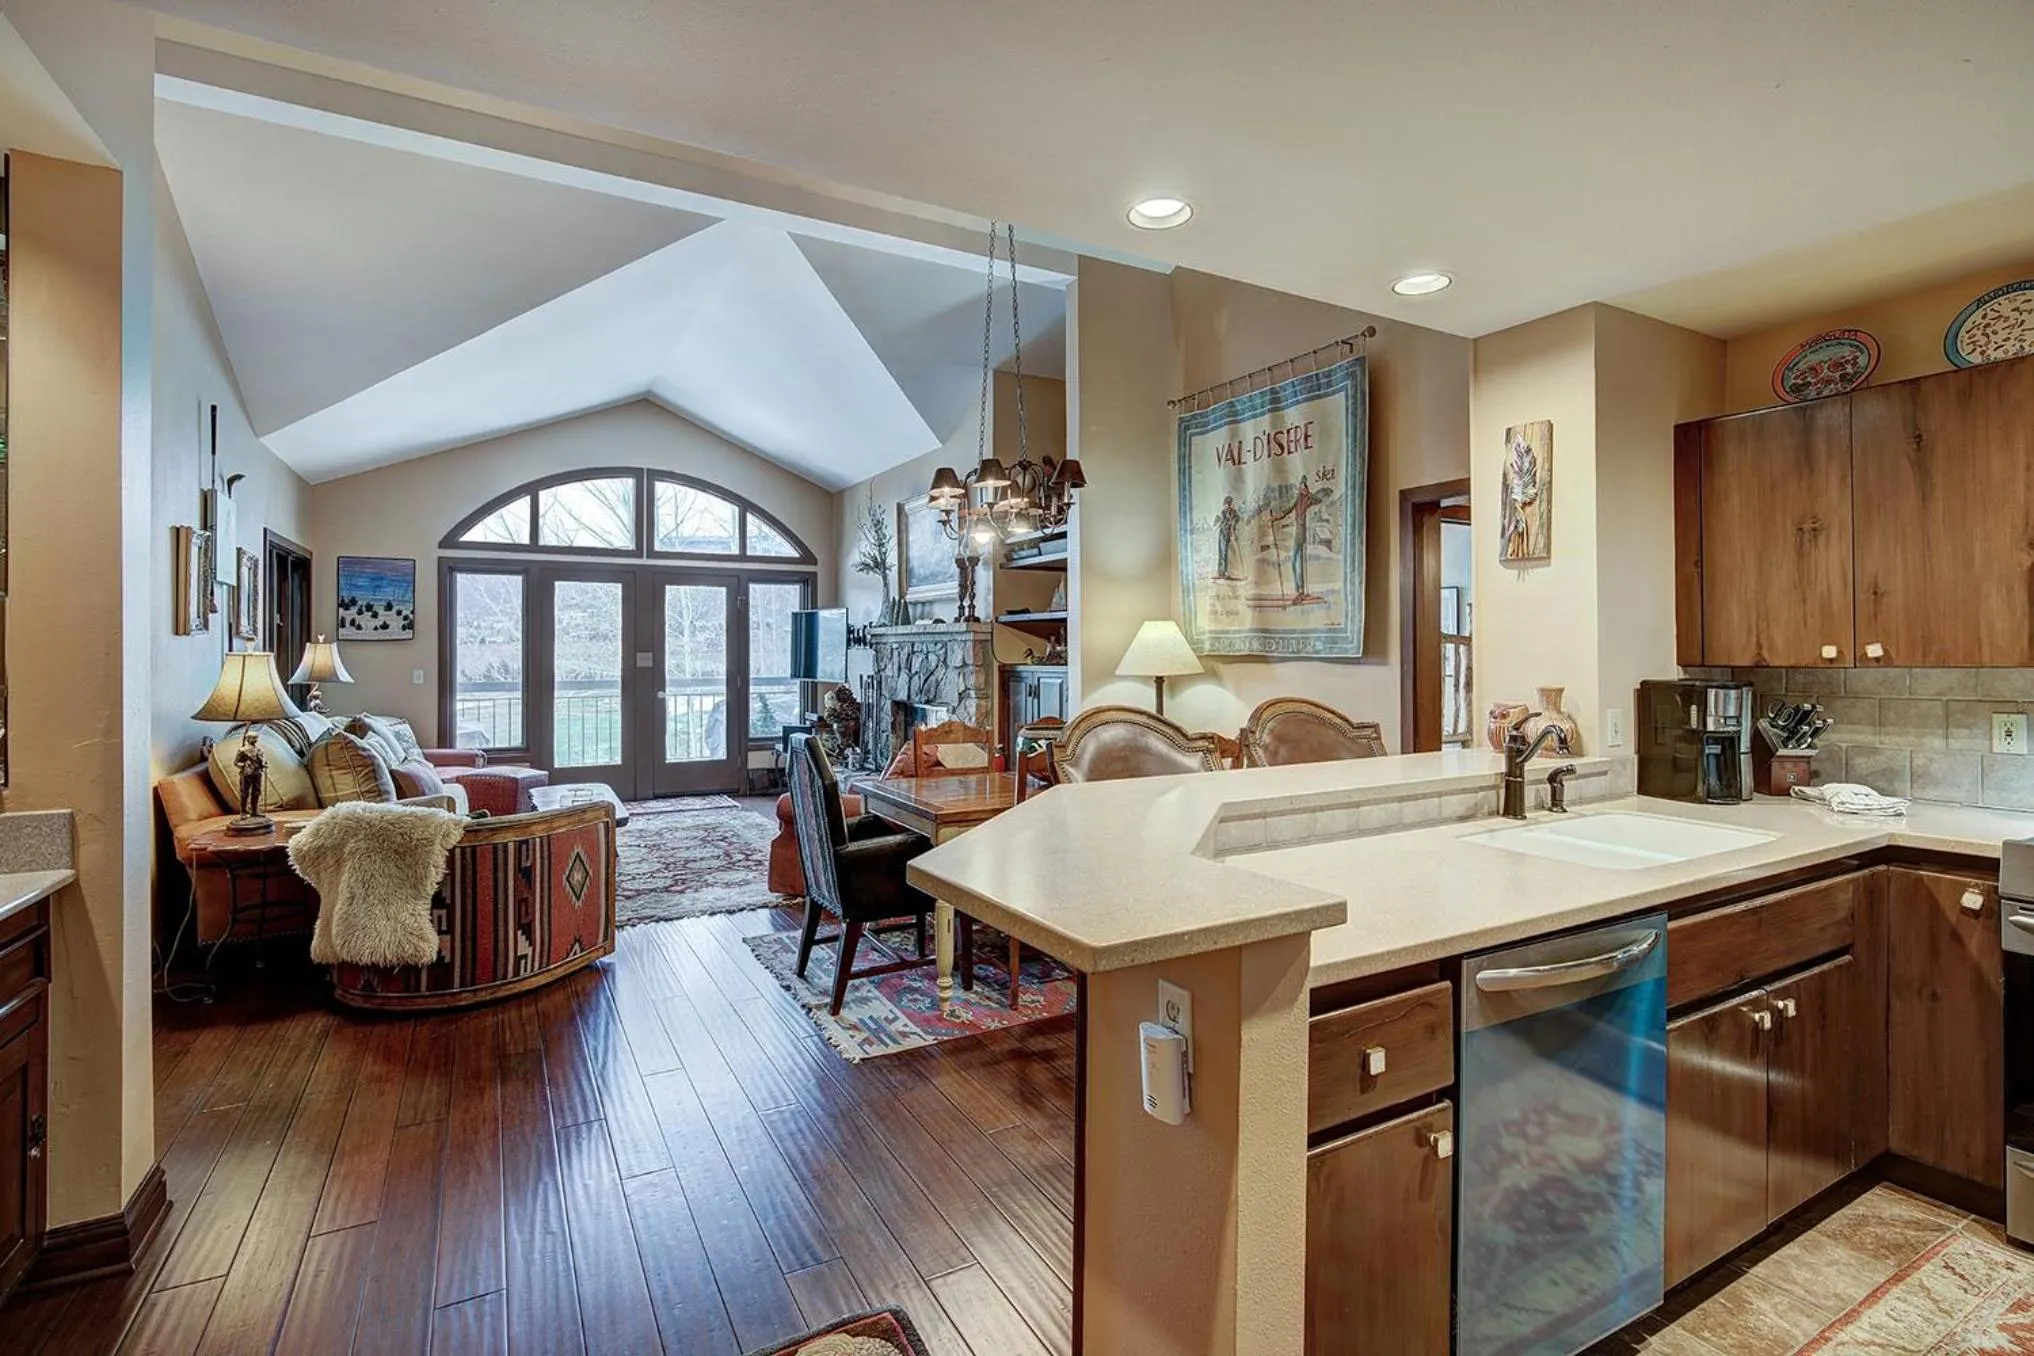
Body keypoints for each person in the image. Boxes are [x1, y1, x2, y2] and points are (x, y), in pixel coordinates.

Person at [1268, 475, 1320, 603]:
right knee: (1294, 562)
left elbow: (1319, 499)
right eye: (1300, 487)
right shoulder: (1298, 499)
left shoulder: (1308, 499)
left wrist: (1309, 494)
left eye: (1304, 487)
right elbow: (1287, 510)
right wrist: (1275, 517)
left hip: (1301, 531)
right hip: (1298, 530)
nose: (1301, 489)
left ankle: (1300, 591)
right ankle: (1299, 589)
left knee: (1298, 562)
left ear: (1306, 489)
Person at [1214, 495, 1242, 580]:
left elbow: (1237, 520)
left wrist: (1233, 529)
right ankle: (1222, 572)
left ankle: (1232, 572)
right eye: (1227, 504)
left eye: (1229, 503)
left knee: (1230, 553)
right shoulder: (1223, 512)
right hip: (1223, 535)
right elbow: (1223, 524)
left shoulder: (1234, 512)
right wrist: (1228, 526)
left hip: (1230, 535)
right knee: (1223, 553)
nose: (1228, 505)